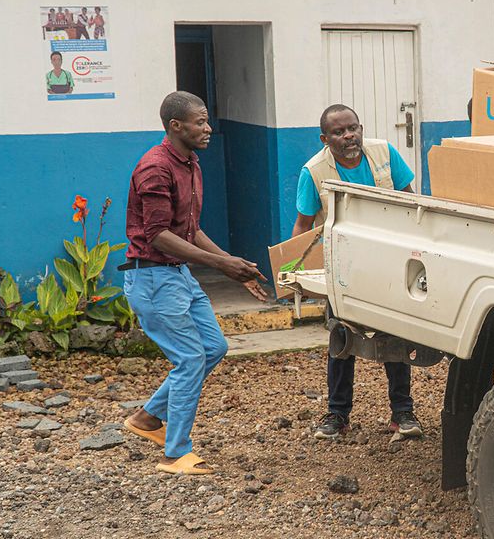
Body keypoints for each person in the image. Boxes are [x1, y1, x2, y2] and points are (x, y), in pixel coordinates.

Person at [121, 91, 270, 475]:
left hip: (177, 275)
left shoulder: (190, 163)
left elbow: (188, 229)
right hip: (152, 277)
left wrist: (229, 265)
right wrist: (222, 264)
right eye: (200, 122)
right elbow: (157, 235)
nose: (208, 128)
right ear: (175, 126)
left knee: (213, 347)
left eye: (207, 121)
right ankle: (175, 454)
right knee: (189, 359)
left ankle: (147, 418)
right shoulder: (154, 168)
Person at [292, 104, 423, 440]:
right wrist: (296, 274)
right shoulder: (314, 172)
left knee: (395, 335)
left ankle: (403, 413)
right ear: (325, 138)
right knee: (341, 337)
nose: (349, 136)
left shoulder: (384, 153)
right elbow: (304, 226)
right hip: (343, 267)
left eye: (353, 128)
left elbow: (412, 202)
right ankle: (337, 415)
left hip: (390, 262)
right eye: (339, 132)